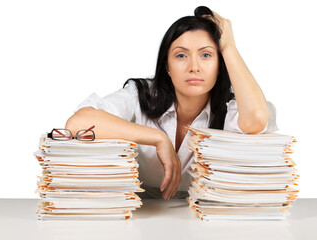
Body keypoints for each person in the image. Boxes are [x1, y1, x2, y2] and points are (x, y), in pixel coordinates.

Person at [65, 6, 278, 200]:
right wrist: (158, 139)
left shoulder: (229, 108)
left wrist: (229, 47)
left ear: (219, 64)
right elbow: (78, 122)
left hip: (203, 214)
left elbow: (256, 120)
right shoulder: (140, 95)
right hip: (137, 210)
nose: (194, 67)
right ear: (167, 66)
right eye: (181, 55)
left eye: (206, 55)